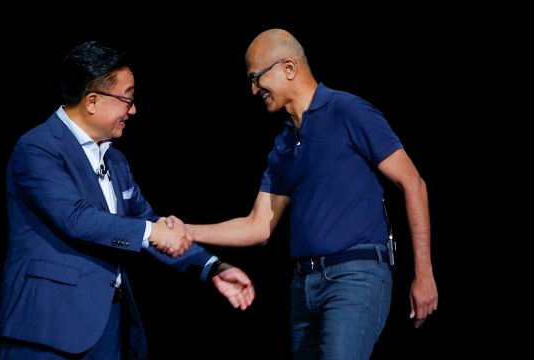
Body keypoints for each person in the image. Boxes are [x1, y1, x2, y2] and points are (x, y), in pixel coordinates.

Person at [182, 29, 438, 360]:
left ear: (288, 67)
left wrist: (424, 274)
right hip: (304, 288)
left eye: (257, 78)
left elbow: (413, 183)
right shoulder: (284, 145)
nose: (253, 89)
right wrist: (187, 231)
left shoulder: (348, 111)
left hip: (354, 278)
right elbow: (258, 227)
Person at [0, 40, 255, 360]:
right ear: (92, 101)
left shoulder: (116, 161)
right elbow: (77, 218)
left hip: (107, 330)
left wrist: (212, 267)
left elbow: (145, 221)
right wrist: (152, 231)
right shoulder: (37, 148)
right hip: (47, 327)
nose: (133, 110)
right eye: (127, 98)